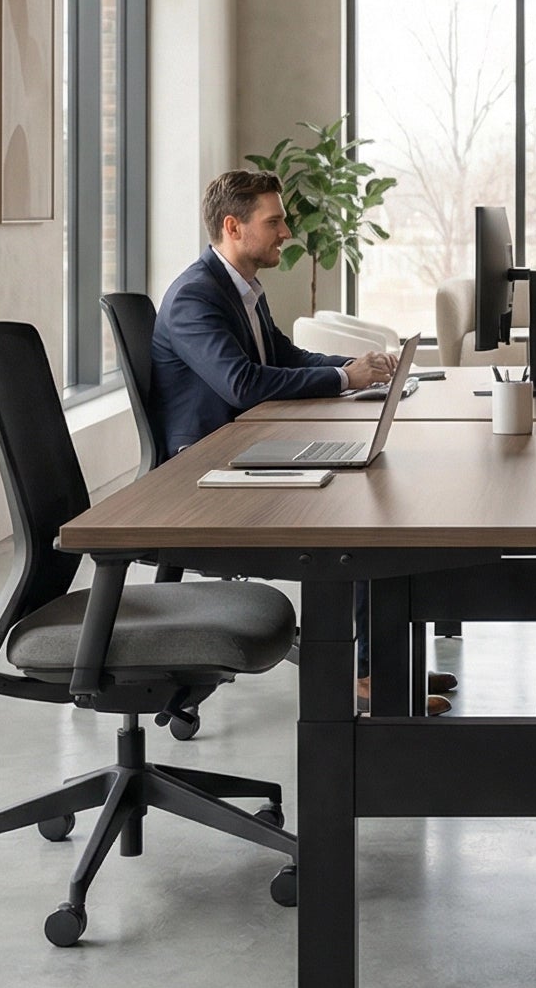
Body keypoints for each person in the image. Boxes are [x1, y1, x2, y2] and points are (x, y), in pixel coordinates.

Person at [151, 169, 454, 713]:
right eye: (274, 221)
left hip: (249, 450)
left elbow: (284, 357)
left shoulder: (240, 288)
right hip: (211, 472)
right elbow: (242, 384)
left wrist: (356, 367)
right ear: (233, 227)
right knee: (362, 522)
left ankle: (383, 660)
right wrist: (344, 381)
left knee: (383, 496)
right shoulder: (194, 299)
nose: (287, 231)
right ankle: (366, 677)